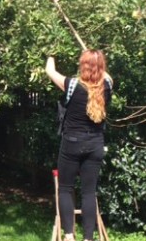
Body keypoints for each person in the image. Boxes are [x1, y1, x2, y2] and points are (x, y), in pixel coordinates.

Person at [45, 49, 113, 241]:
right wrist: (97, 59)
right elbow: (106, 75)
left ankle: (68, 236)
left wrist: (51, 53)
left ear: (83, 66)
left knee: (65, 188)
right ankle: (88, 238)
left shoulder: (72, 85)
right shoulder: (107, 85)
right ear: (101, 67)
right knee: (89, 192)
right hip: (95, 145)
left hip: (72, 144)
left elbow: (50, 71)